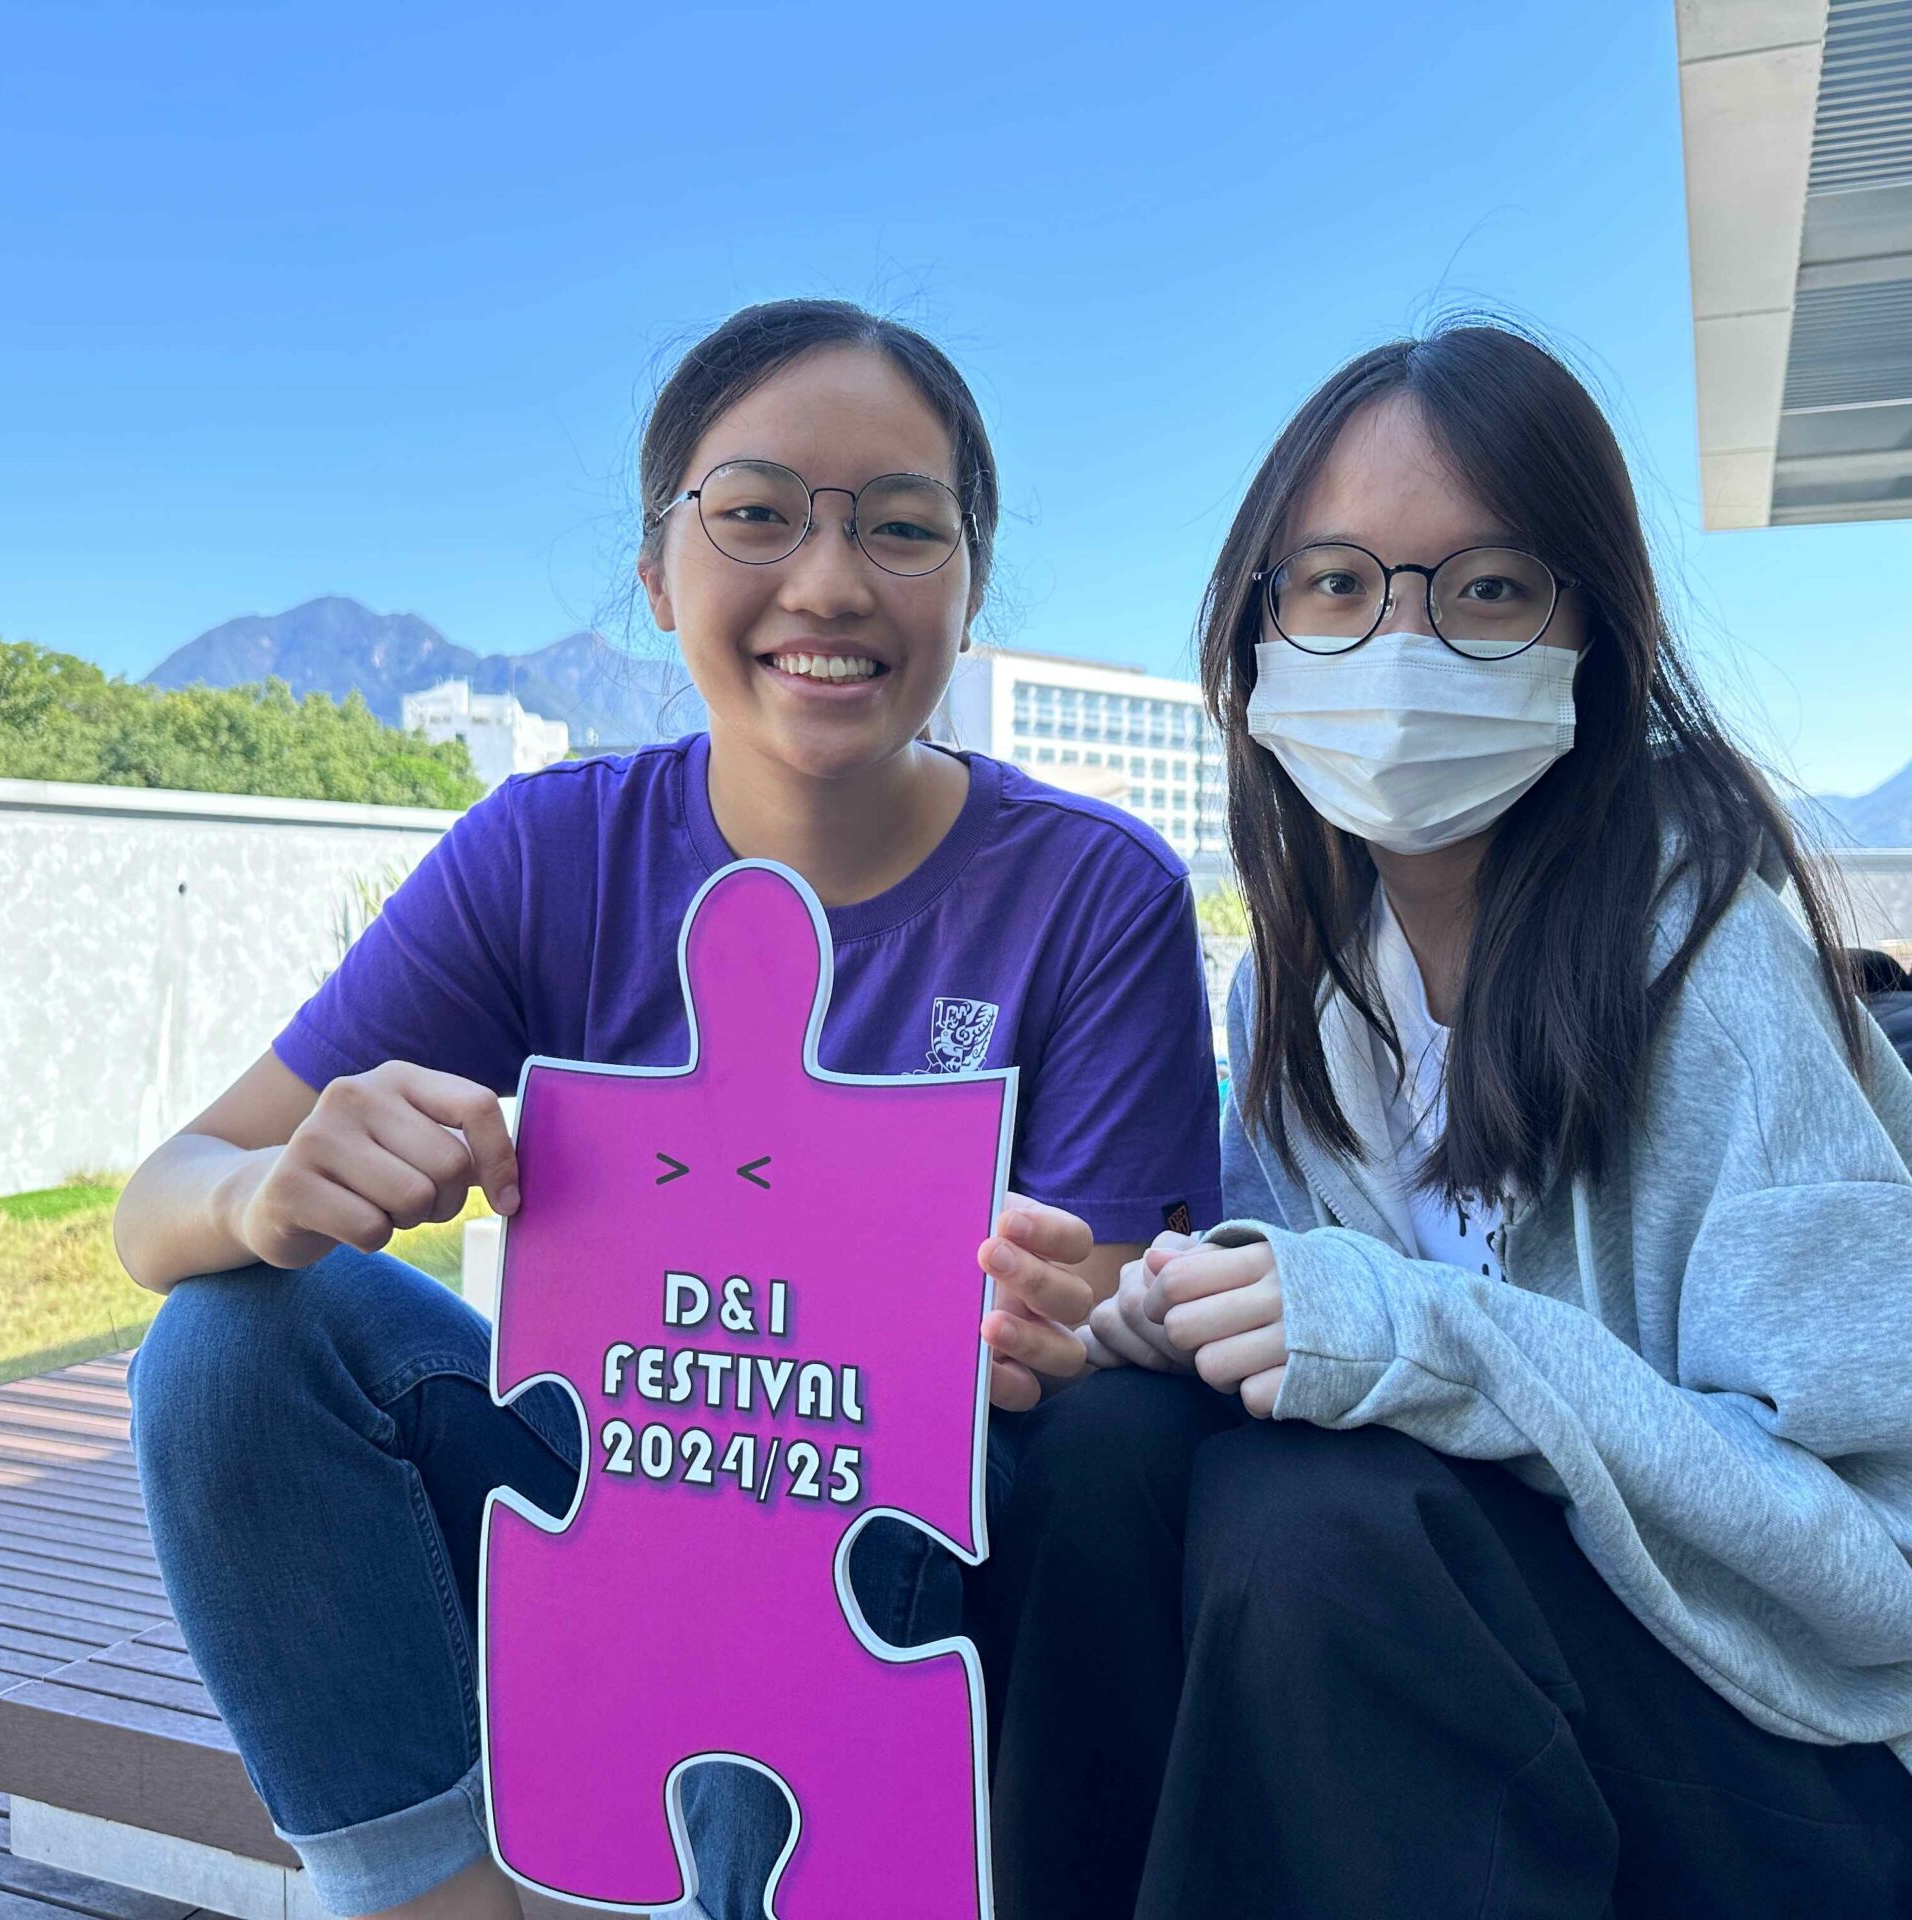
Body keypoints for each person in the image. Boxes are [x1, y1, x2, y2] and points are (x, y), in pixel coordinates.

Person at [983, 324, 1912, 1918]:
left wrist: (1435, 1345)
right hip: (1530, 1712)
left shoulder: (1706, 963)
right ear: (1257, 632)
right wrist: (1135, 1316)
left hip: (1864, 1766)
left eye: (1489, 589)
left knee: (1322, 1533)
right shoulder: (1305, 995)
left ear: (1596, 638)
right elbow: (1326, 1329)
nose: (1398, 645)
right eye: (1336, 585)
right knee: (1109, 1453)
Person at [114, 298, 1221, 1920]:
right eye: (758, 513)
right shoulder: (546, 852)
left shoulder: (1091, 893)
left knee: (1096, 1444)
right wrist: (265, 1196)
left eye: (901, 528)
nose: (830, 583)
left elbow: (1108, 1353)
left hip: (907, 1563)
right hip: (598, 1484)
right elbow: (162, 1197)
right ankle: (436, 1898)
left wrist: (1070, 1315)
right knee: (226, 1341)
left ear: (970, 585)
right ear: (656, 572)